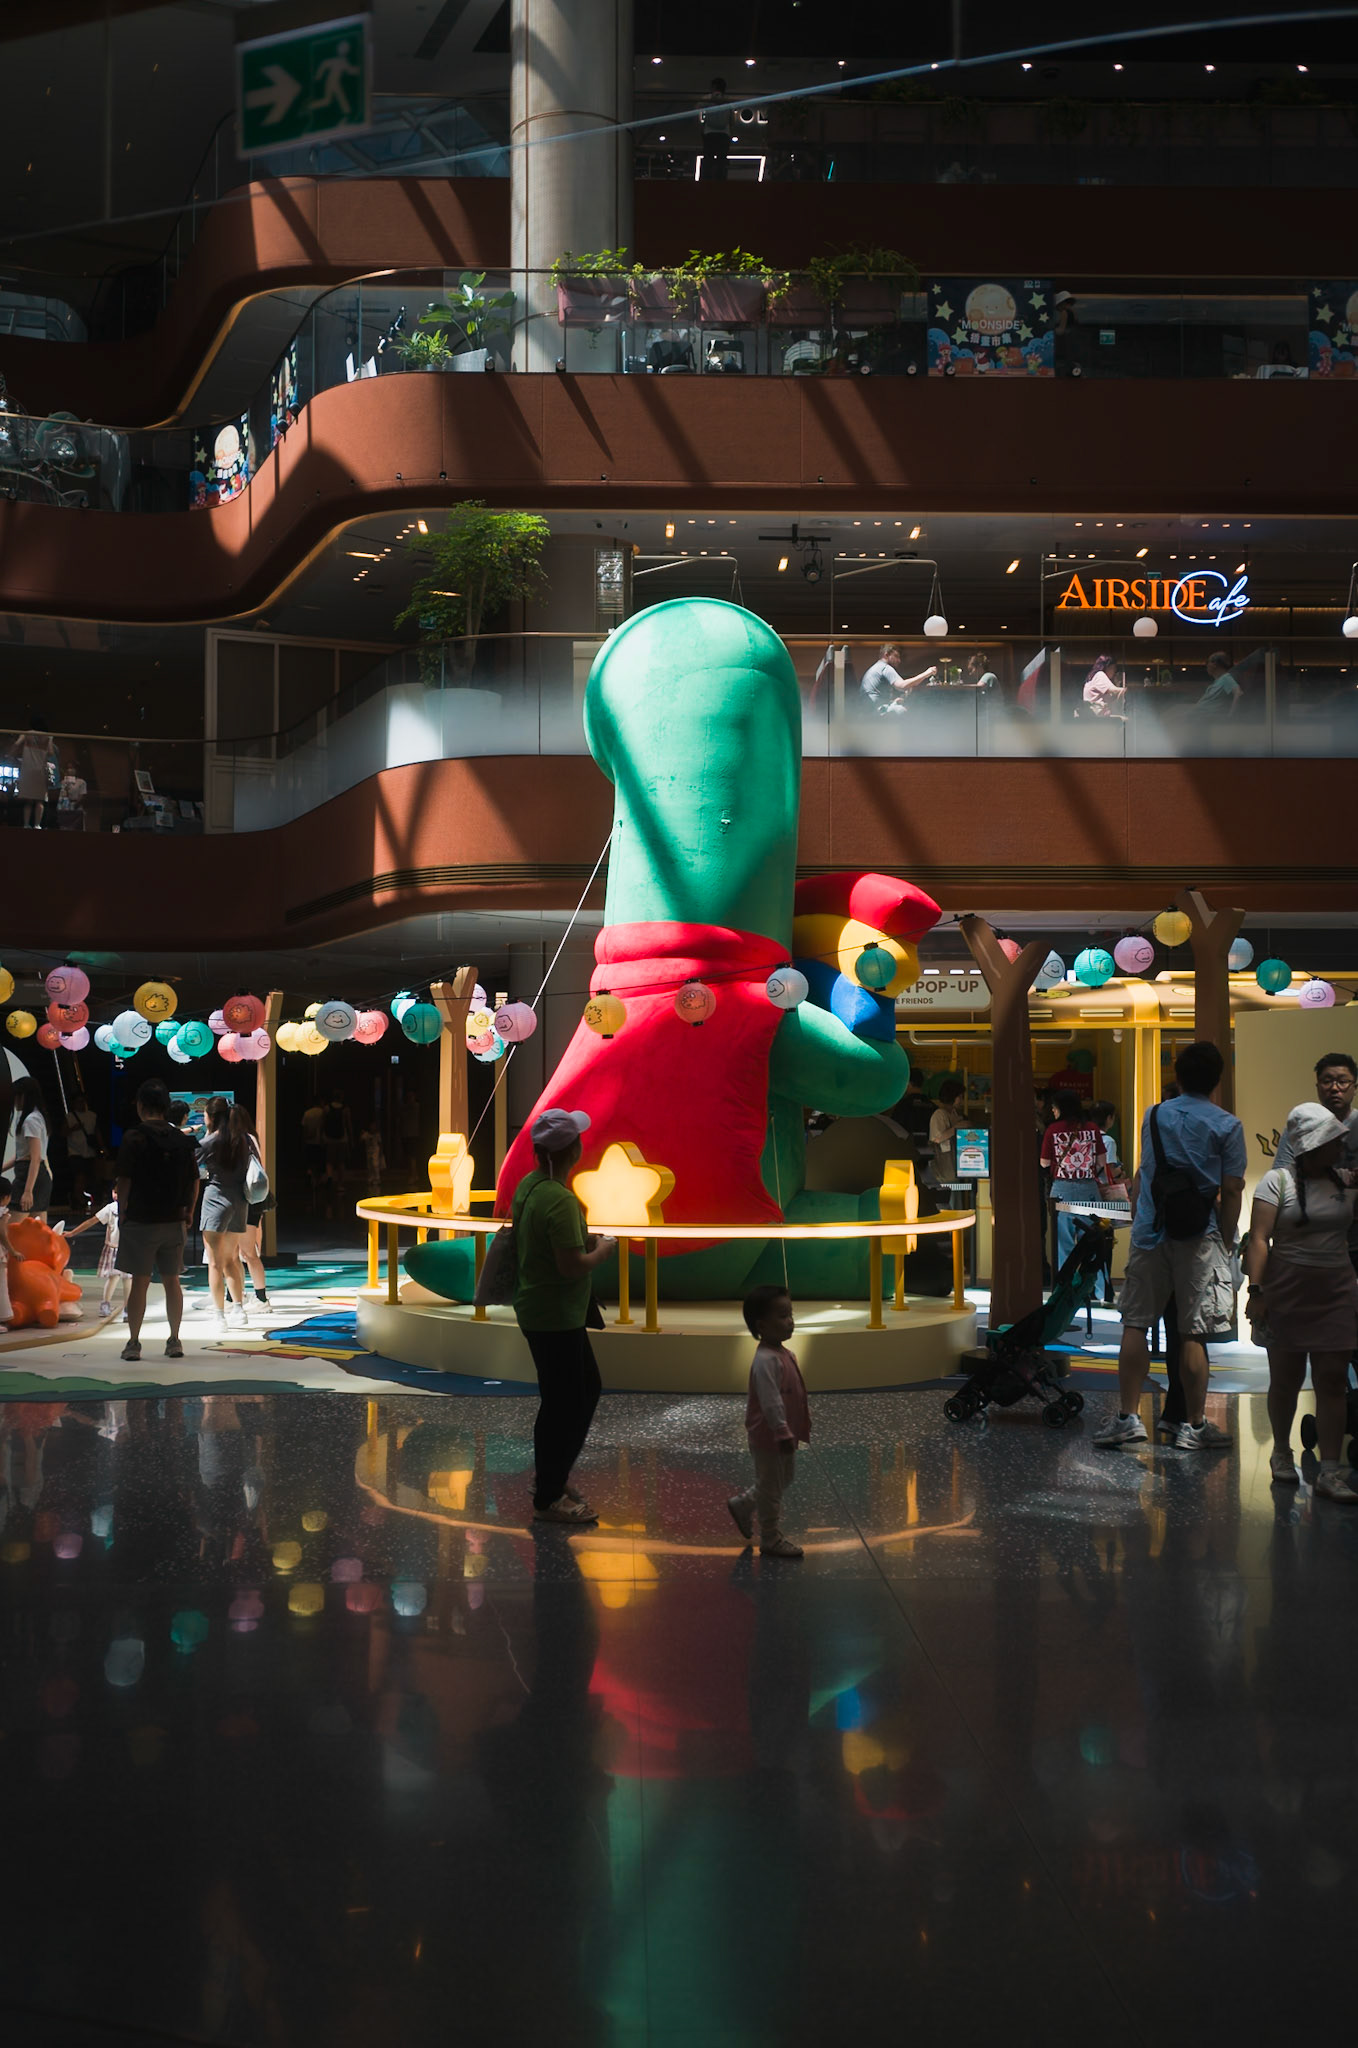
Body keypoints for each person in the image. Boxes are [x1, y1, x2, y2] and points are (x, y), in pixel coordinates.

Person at [1096, 1042, 1245, 1452]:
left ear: (1177, 1076)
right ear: (1218, 1079)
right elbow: (1232, 1188)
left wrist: (1140, 1215)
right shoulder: (1227, 1125)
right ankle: (1194, 1426)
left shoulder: (1154, 1115)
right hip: (1199, 1236)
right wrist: (1227, 1238)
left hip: (1150, 1231)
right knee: (1193, 1331)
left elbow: (1146, 1172)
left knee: (1136, 1323)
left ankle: (1128, 1417)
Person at [1245, 1102, 1358, 1500]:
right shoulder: (1277, 1182)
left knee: (1331, 1380)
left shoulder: (1347, 1181)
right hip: (1286, 1288)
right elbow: (1259, 1238)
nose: (1340, 1148)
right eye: (1332, 1141)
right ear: (1312, 1146)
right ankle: (1280, 1451)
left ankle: (1330, 1470)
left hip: (1337, 1290)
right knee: (1287, 1379)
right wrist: (1256, 1291)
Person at [511, 1109, 616, 1526]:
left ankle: (552, 1477)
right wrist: (603, 1251)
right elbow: (571, 1265)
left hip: (541, 1310)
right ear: (571, 1149)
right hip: (556, 1314)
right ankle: (549, 1495)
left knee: (573, 1394)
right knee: (567, 1402)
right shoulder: (560, 1198)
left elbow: (544, 1241)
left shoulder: (531, 1187)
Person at [112, 1077, 199, 1363]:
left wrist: (123, 1210)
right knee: (172, 1280)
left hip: (140, 1219)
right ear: (165, 1106)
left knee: (140, 1282)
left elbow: (125, 1179)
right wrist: (188, 1211)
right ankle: (174, 1340)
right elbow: (194, 1180)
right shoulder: (181, 1139)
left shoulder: (134, 1137)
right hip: (174, 1219)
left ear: (140, 1106)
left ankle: (134, 1343)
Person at [727, 1284, 810, 1559]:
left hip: (783, 1433)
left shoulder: (784, 1354)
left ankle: (745, 1503)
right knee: (772, 1487)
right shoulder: (765, 1360)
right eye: (782, 1315)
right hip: (770, 1435)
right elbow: (771, 1401)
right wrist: (782, 1430)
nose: (790, 1321)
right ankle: (771, 1538)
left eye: (790, 1314)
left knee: (783, 1477)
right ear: (761, 1325)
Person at [198, 1097, 253, 1333]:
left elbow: (192, 1167)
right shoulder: (242, 1140)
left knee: (214, 1263)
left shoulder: (208, 1142)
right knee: (232, 1259)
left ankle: (220, 1315)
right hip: (239, 1202)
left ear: (211, 1116)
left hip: (215, 1199)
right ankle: (239, 1309)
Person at [1040, 1088, 1112, 1269]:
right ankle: (1094, 1289)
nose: (1053, 1111)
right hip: (1088, 1190)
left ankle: (1065, 1285)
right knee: (1091, 1239)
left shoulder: (1052, 1130)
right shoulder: (1092, 1128)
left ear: (1062, 1108)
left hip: (1062, 1190)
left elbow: (1044, 1163)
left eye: (1055, 1107)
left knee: (1063, 1242)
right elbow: (1101, 1162)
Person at [1272, 1051, 1358, 1175]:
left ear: (1354, 1088)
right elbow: (1281, 1173)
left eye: (1342, 1082)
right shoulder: (1302, 1125)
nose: (1334, 1088)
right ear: (1318, 1087)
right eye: (1327, 1081)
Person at [234, 1105, 271, 1312]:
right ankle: (237, 1295)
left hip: (247, 1201)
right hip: (253, 1199)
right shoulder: (251, 1137)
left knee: (248, 1252)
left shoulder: (243, 1139)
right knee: (242, 1252)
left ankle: (261, 1298)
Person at [68, 1197, 123, 1319]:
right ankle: (128, 1310)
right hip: (127, 1248)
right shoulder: (131, 1206)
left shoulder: (111, 1208)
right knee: (128, 1279)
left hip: (115, 1247)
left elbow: (92, 1221)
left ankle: (106, 1305)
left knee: (114, 1278)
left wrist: (73, 1233)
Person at [6, 1077, 52, 1218]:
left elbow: (34, 1157)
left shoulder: (30, 1120)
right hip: (37, 1174)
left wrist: (27, 1191)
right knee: (37, 1229)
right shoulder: (38, 1117)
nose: (14, 1102)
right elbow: (25, 1154)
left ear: (23, 1096)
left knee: (10, 1230)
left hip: (29, 1175)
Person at [861, 644, 938, 714]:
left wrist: (892, 702)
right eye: (896, 656)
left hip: (867, 709)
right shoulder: (885, 668)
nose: (899, 660)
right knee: (906, 711)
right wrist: (927, 673)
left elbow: (876, 694)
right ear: (886, 655)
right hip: (875, 711)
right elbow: (903, 686)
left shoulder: (876, 667)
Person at [65, 1091, 104, 1211]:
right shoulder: (70, 1117)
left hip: (89, 1151)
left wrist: (102, 1147)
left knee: (91, 1176)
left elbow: (97, 1132)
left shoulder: (92, 1116)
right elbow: (63, 1132)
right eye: (78, 1102)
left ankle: (86, 1197)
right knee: (80, 1176)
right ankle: (78, 1198)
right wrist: (73, 1129)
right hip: (75, 1151)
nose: (81, 1104)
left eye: (83, 1101)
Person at [10, 727, 54, 829]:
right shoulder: (48, 736)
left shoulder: (27, 733)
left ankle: (26, 824)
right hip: (40, 771)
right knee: (39, 800)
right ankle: (37, 825)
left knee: (29, 800)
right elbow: (51, 752)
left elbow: (17, 744)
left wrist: (11, 753)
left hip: (28, 770)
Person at [927, 1078, 967, 1185]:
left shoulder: (954, 1114)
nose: (961, 1100)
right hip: (944, 1166)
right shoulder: (939, 1115)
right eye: (959, 1097)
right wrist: (958, 1127)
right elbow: (937, 1138)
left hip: (954, 1165)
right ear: (952, 1096)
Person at [698, 77, 734, 180]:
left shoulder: (707, 98)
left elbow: (696, 108)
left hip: (709, 132)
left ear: (713, 87)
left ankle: (706, 179)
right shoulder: (728, 100)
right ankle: (721, 179)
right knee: (721, 159)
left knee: (708, 158)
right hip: (724, 133)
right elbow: (732, 119)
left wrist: (701, 127)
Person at [1082, 655, 1126, 720]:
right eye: (1113, 668)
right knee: (1124, 721)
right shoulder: (1100, 675)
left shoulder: (1093, 677)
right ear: (1108, 667)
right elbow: (1114, 690)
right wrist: (1127, 690)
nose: (1114, 671)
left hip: (1094, 715)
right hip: (1098, 716)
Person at [57, 760, 87, 831]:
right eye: (68, 768)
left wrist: (74, 806)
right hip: (65, 808)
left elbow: (82, 796)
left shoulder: (81, 782)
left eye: (72, 768)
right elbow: (62, 796)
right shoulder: (63, 782)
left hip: (77, 809)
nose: (69, 770)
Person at [363, 1118, 386, 1195]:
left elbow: (380, 1143)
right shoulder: (366, 1134)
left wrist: (381, 1153)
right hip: (369, 1152)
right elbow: (361, 1139)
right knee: (369, 1165)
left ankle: (377, 1179)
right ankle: (371, 1178)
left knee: (375, 1165)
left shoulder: (377, 1135)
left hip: (376, 1152)